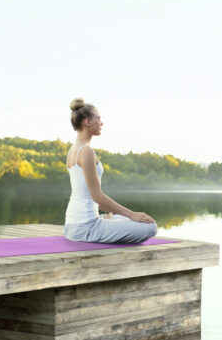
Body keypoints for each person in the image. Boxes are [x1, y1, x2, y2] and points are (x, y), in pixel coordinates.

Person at [65, 98, 158, 243]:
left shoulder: (73, 149)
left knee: (120, 217)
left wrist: (124, 215)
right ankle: (108, 221)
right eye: (99, 119)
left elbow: (92, 197)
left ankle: (107, 220)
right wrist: (131, 214)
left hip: (71, 225)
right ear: (88, 122)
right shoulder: (86, 151)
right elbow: (97, 196)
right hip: (86, 227)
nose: (101, 123)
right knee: (151, 227)